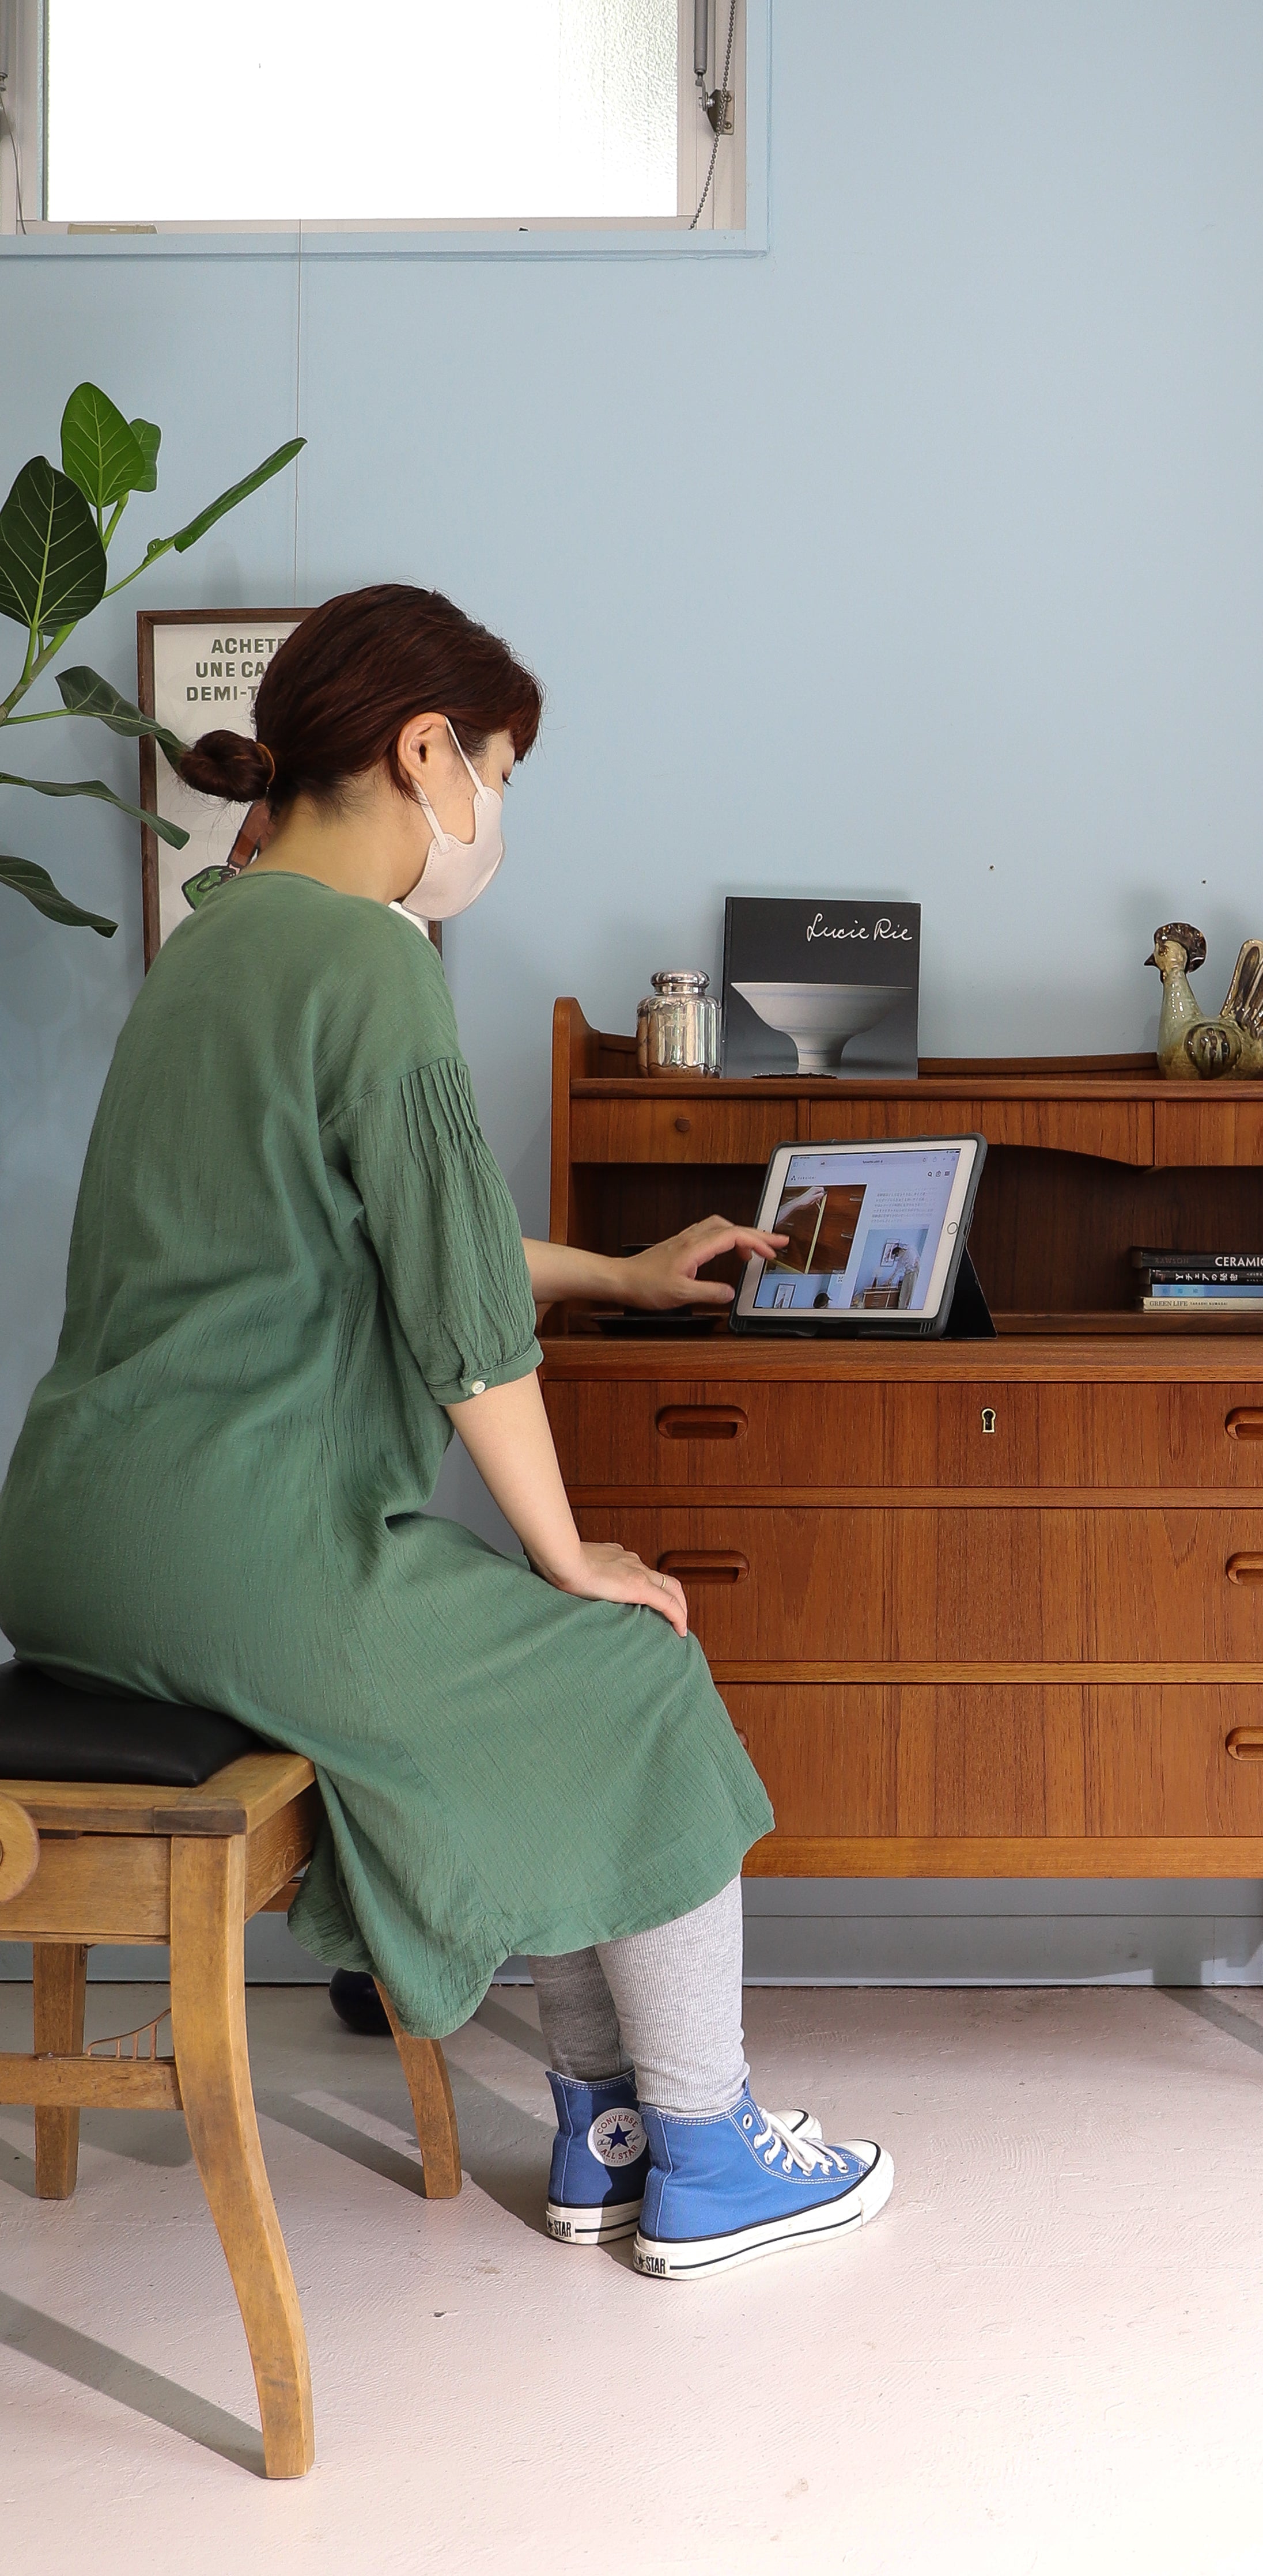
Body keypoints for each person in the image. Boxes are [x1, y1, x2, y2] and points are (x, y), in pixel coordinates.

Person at [0, 584, 893, 2280]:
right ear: (427, 753)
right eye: (496, 773)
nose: (492, 821)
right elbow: (465, 1326)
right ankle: (701, 2149)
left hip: (69, 1540)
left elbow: (384, 1222)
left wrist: (622, 1275)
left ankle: (600, 2135)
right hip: (230, 1547)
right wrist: (572, 1555)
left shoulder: (213, 946)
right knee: (625, 1663)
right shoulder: (371, 957)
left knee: (523, 1690)